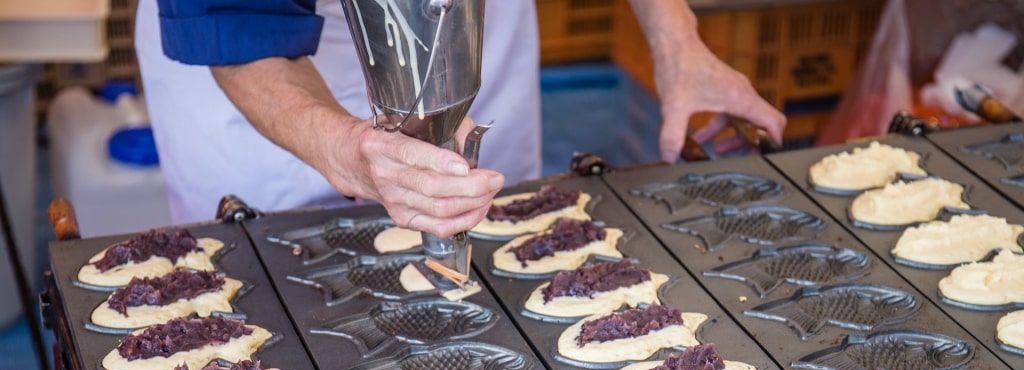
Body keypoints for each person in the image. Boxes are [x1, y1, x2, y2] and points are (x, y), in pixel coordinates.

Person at [136, 1, 785, 237]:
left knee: (493, 251)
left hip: (474, 29)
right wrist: (346, 148)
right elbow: (237, 22)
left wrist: (677, 41)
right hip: (277, 61)